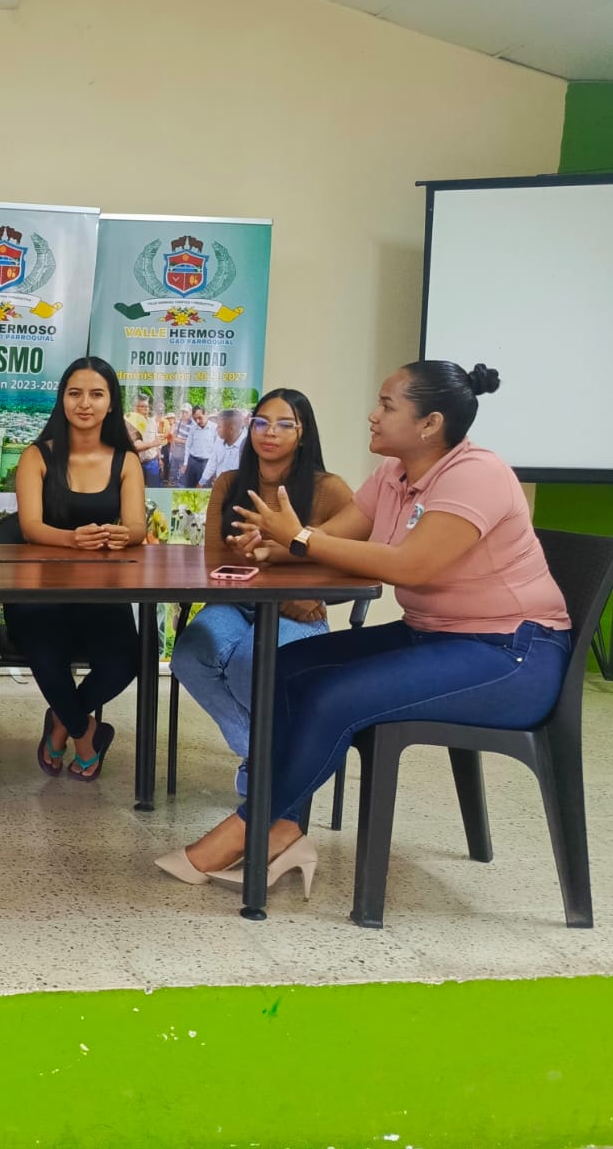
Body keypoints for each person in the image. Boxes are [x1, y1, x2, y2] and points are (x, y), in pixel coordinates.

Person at [155, 362, 572, 894]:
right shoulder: (393, 474)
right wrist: (276, 548)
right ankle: (283, 828)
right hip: (432, 634)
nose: (373, 416)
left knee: (335, 696)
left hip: (512, 654)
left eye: (387, 406)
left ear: (430, 424)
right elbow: (334, 538)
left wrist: (299, 538)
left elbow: (409, 565)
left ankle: (248, 827)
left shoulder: (476, 474)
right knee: (286, 668)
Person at [169, 389, 352, 795]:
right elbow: (213, 561)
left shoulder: (329, 489)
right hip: (236, 602)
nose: (270, 432)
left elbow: (352, 558)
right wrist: (247, 556)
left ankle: (268, 759)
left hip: (297, 608)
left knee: (249, 663)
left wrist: (302, 586)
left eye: (285, 424)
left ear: (303, 434)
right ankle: (269, 753)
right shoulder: (230, 483)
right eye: (262, 422)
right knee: (189, 657)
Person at [8, 357, 146, 781]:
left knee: (126, 662)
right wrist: (73, 539)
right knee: (46, 654)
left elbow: (137, 527)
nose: (85, 403)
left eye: (96, 394)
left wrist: (124, 534)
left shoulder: (126, 461)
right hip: (39, 589)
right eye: (75, 393)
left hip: (100, 588)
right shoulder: (37, 456)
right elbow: (30, 527)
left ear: (111, 403)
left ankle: (61, 723)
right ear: (62, 400)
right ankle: (87, 734)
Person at [198, 408, 247, 486]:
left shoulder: (247, 447)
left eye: (219, 426)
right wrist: (201, 482)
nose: (216, 429)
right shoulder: (220, 439)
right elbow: (213, 461)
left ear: (231, 429)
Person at [124, 392, 164, 486]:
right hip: (136, 463)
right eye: (142, 406)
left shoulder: (152, 422)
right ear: (134, 407)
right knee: (136, 489)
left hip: (152, 463)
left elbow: (157, 441)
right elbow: (134, 446)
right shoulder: (129, 423)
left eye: (147, 406)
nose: (146, 409)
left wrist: (159, 459)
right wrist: (153, 443)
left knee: (154, 490)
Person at [180, 406, 218, 487]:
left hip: (206, 464)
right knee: (189, 488)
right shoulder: (193, 428)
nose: (197, 421)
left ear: (206, 414)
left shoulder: (215, 428)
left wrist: (215, 470)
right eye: (195, 419)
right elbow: (188, 446)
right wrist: (185, 463)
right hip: (192, 462)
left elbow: (217, 450)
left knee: (203, 489)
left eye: (199, 418)